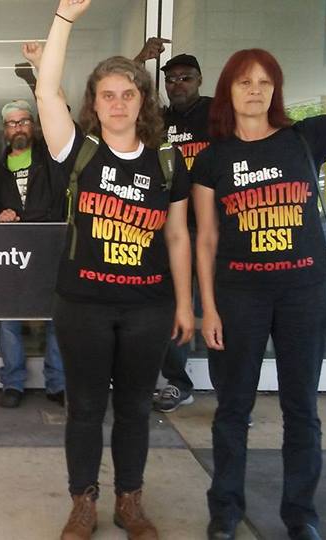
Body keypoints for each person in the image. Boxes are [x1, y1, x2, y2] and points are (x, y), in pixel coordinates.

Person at [194, 16, 326, 540]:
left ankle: (300, 514)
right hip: (238, 295)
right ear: (228, 91)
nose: (255, 90)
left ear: (276, 91)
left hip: (303, 293)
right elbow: (207, 239)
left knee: (301, 409)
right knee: (232, 409)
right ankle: (224, 509)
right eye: (245, 81)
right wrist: (208, 307)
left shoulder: (305, 138)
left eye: (265, 81)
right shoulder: (212, 158)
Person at [38, 1, 194, 538]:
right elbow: (45, 90)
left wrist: (185, 304)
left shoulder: (167, 161)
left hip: (147, 307)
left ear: (142, 101)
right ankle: (83, 502)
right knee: (84, 409)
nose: (119, 103)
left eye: (129, 94)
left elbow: (177, 235)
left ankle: (131, 500)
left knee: (132, 409)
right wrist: (64, 19)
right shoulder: (76, 151)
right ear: (95, 103)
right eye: (108, 94)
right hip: (82, 303)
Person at [135, 44, 213, 413]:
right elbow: (125, 87)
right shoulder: (160, 121)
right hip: (172, 228)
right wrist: (140, 57)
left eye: (185, 78)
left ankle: (233, 393)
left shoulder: (217, 114)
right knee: (171, 306)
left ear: (199, 81)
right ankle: (178, 384)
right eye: (171, 79)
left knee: (223, 308)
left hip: (215, 229)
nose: (178, 85)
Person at [0, 96, 66, 408]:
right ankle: (13, 383)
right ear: (4, 130)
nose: (18, 127)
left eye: (24, 121)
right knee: (8, 319)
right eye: (12, 123)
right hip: (11, 253)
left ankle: (57, 384)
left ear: (34, 126)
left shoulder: (53, 159)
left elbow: (64, 118)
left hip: (51, 248)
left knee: (58, 316)